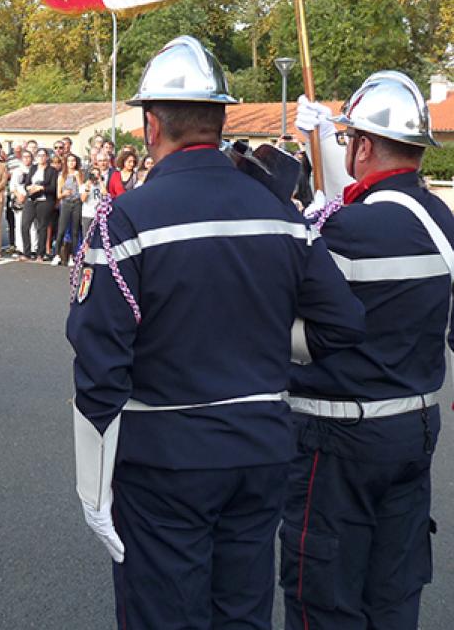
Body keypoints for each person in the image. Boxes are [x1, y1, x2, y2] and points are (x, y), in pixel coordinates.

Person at [67, 35, 366, 630]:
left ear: (152, 124)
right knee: (242, 615)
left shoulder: (126, 217)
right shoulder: (281, 215)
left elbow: (100, 362)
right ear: (220, 119)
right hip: (260, 449)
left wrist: (91, 482)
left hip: (166, 459)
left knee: (165, 616)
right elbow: (343, 323)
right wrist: (262, 352)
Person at [281, 73, 454, 630]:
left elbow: (285, 301)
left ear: (361, 145)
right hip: (415, 428)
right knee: (394, 594)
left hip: (336, 440)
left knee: (323, 596)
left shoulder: (348, 228)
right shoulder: (442, 220)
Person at [20, 147, 58, 261]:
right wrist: (29, 188)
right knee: (25, 225)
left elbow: (53, 188)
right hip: (31, 199)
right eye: (39, 155)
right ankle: (26, 253)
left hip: (45, 200)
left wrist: (41, 187)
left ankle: (40, 254)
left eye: (43, 155)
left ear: (47, 157)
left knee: (42, 227)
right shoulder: (33, 168)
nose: (41, 157)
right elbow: (26, 183)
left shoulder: (52, 171)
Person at [53, 152, 84, 266]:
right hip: (66, 203)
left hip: (77, 203)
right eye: (69, 161)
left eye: (74, 161)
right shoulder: (62, 176)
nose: (72, 163)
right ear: (66, 163)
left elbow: (82, 190)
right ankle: (57, 255)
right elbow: (58, 195)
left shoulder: (79, 174)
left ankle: (74, 256)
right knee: (61, 230)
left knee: (75, 231)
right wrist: (64, 193)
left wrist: (78, 178)